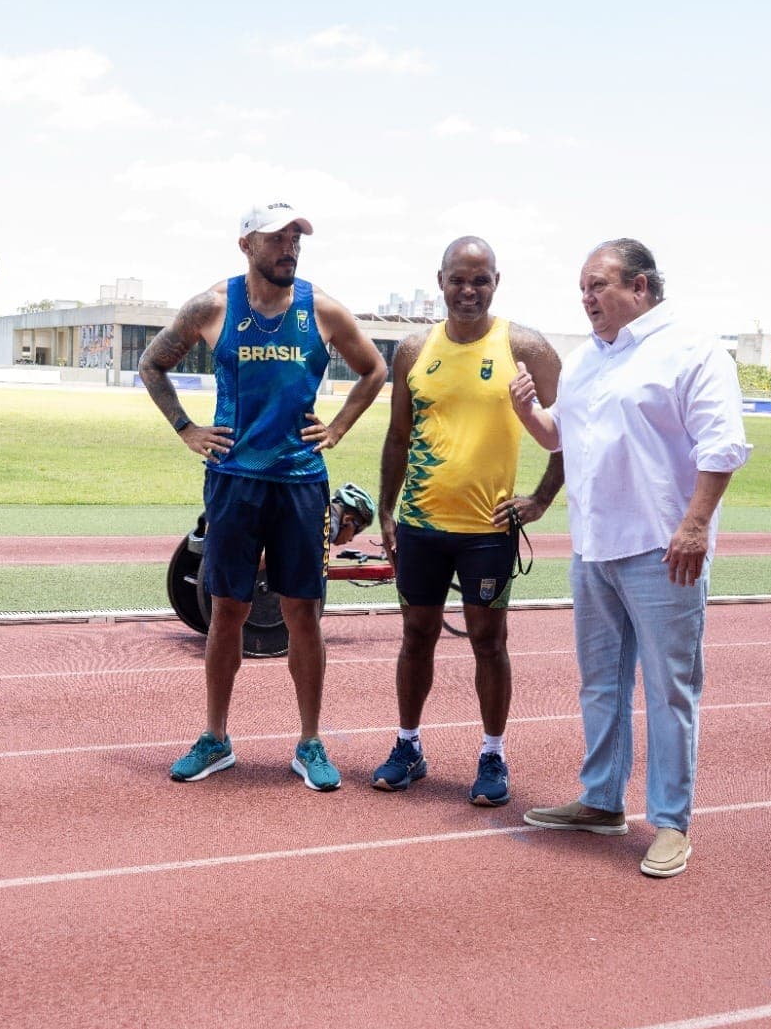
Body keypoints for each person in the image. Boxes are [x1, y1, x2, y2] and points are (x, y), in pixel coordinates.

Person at [510, 239, 750, 879]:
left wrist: (695, 524)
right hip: (594, 548)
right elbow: (559, 434)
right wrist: (527, 411)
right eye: (582, 289)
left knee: (669, 689)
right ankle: (601, 801)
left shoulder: (692, 350)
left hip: (661, 549)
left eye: (597, 285)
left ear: (640, 287)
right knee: (600, 683)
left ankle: (670, 823)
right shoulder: (589, 358)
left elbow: (723, 445)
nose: (586, 299)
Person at [139, 202, 386, 790]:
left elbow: (374, 370)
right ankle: (216, 738)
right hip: (234, 481)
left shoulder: (320, 308)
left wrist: (340, 427)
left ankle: (310, 742)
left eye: (297, 238)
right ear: (246, 243)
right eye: (278, 238)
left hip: (301, 483)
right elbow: (152, 364)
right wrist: (186, 429)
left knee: (304, 612)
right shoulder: (211, 306)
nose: (290, 248)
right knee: (227, 609)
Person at [370, 237, 564, 807]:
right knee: (416, 636)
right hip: (422, 526)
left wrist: (541, 500)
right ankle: (408, 746)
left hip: (487, 530)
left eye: (480, 280)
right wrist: (386, 508)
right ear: (440, 280)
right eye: (459, 279)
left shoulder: (524, 347)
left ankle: (493, 753)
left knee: (488, 641)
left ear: (496, 283)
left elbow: (572, 433)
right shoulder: (412, 349)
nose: (469, 290)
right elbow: (399, 436)